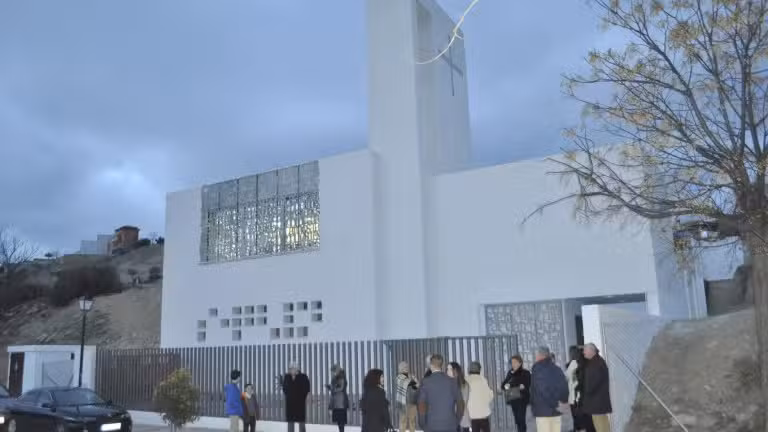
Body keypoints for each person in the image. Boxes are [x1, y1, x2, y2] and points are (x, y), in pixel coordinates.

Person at [418, 354, 464, 432]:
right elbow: (461, 404)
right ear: (441, 365)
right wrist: (456, 421)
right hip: (450, 425)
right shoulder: (452, 382)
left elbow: (422, 404)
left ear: (431, 365)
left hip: (431, 426)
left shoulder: (426, 382)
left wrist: (422, 424)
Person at [530, 346, 569, 432]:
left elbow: (542, 389)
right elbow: (564, 387)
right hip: (556, 410)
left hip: (543, 410)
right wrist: (563, 401)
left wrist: (554, 403)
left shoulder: (537, 368)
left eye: (537, 354)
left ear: (540, 355)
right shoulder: (557, 369)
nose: (536, 357)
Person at [581, 344, 612, 432]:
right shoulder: (597, 361)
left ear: (591, 350)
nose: (583, 353)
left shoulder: (595, 363)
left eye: (585, 350)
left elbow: (592, 384)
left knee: (600, 426)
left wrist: (586, 391)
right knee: (603, 424)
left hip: (596, 402)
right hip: (599, 402)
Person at [566, 346, 595, 432]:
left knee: (580, 421)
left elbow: (573, 382)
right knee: (588, 421)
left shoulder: (572, 365)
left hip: (576, 397)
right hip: (584, 397)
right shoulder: (586, 363)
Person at [501, 355, 531, 432]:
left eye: (515, 362)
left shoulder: (526, 373)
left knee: (521, 419)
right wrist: (509, 385)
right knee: (517, 420)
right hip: (513, 398)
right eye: (512, 362)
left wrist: (512, 385)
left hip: (522, 399)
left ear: (520, 363)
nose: (513, 364)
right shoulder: (510, 373)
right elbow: (503, 385)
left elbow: (526, 385)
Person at [282, 362, 311, 432]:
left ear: (297, 369)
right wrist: (288, 395)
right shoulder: (287, 377)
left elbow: (307, 388)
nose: (291, 370)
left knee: (301, 423)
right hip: (290, 404)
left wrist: (303, 396)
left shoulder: (303, 377)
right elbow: (284, 389)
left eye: (293, 369)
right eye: (290, 369)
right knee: (290, 423)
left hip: (300, 404)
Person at [465, 361, 494, 432]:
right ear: (479, 370)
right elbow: (490, 396)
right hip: (483, 414)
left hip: (471, 415)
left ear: (469, 370)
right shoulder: (483, 380)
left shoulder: (465, 380)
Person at [395, 361, 419, 432]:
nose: (405, 368)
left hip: (412, 402)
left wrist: (415, 383)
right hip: (402, 403)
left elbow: (417, 386)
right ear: (400, 368)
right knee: (403, 421)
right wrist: (413, 381)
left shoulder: (412, 376)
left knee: (412, 421)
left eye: (406, 366)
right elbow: (408, 383)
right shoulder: (399, 377)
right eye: (403, 367)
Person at [447, 362, 470, 432]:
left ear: (455, 371)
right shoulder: (448, 383)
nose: (447, 371)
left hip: (460, 417)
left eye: (449, 369)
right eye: (447, 369)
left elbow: (463, 402)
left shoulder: (464, 385)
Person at [327, 364, 350, 432]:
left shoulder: (341, 377)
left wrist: (331, 388)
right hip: (337, 402)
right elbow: (336, 388)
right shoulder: (336, 378)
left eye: (334, 371)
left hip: (341, 403)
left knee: (341, 421)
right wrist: (330, 387)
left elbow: (340, 388)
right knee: (339, 422)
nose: (333, 373)